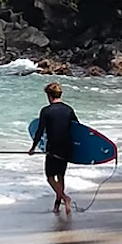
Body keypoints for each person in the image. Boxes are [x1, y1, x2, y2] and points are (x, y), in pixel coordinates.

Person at [29, 82, 77, 214]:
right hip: (66, 148)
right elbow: (77, 129)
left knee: (50, 177)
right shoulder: (68, 109)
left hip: (53, 149)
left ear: (49, 96)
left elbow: (40, 131)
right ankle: (57, 204)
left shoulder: (46, 111)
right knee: (60, 176)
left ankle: (64, 198)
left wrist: (33, 147)